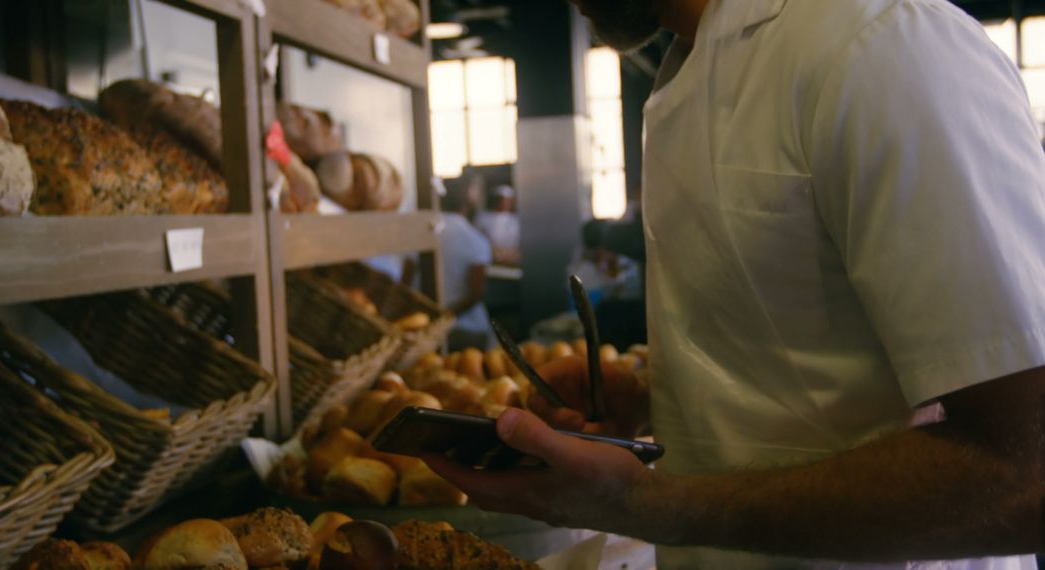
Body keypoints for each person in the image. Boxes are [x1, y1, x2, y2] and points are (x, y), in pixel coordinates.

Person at [425, 0, 1045, 568]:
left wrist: (641, 505)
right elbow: (813, 369)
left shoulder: (881, 46)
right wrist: (658, 403)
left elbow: (1026, 476)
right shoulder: (693, 63)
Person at [437, 179, 494, 350]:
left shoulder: (422, 236)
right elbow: (475, 294)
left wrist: (436, 320)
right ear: (469, 201)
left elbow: (406, 280)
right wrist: (446, 316)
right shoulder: (476, 240)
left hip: (429, 329)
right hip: (468, 329)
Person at [475, 184, 521, 265]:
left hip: (510, 259)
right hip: (488, 257)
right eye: (501, 200)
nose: (504, 203)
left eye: (508, 200)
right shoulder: (483, 217)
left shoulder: (516, 219)